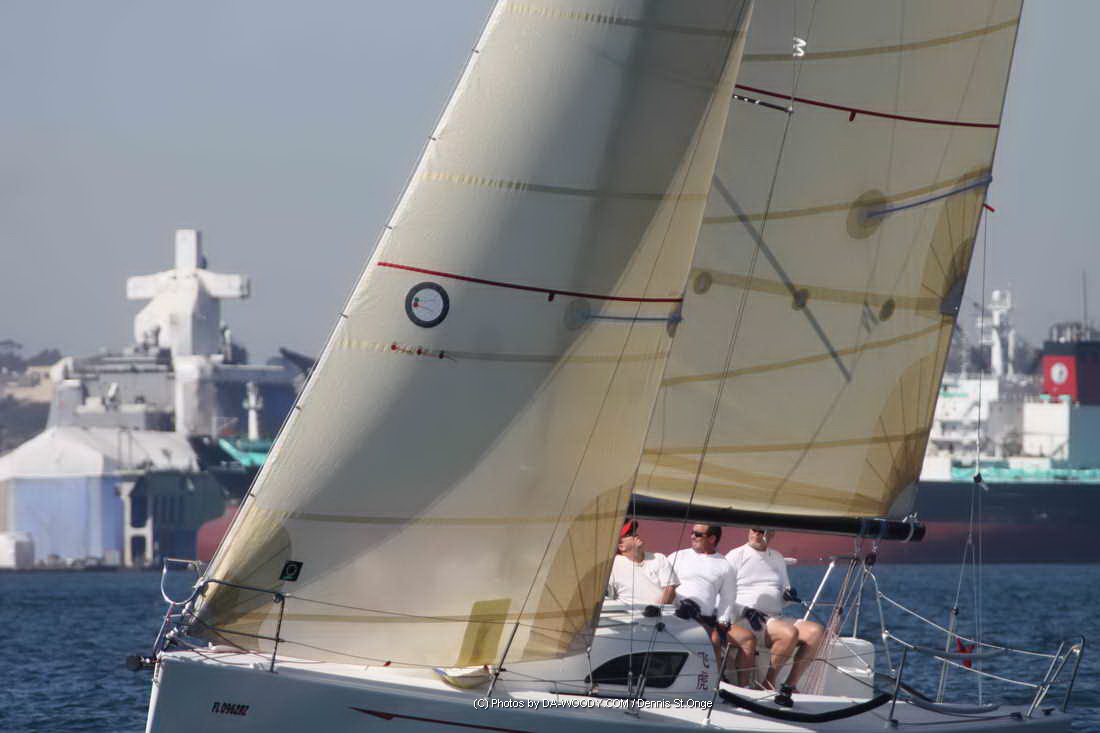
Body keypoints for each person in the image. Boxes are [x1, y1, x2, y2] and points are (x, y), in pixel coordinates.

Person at [726, 527, 825, 693]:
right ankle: (768, 684)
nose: (756, 533)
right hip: (746, 618)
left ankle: (789, 685)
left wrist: (787, 596)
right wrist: (745, 610)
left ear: (771, 533)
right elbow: (723, 594)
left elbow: (783, 593)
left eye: (761, 530)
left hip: (774, 618)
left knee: (816, 632)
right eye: (754, 529)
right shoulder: (735, 555)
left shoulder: (777, 557)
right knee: (789, 633)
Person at [668, 524, 757, 685]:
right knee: (714, 639)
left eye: (698, 534)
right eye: (692, 532)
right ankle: (714, 683)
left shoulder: (725, 565)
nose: (692, 536)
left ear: (712, 538)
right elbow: (663, 585)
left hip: (707, 619)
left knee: (748, 638)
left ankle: (743, 687)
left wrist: (723, 623)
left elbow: (727, 599)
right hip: (677, 615)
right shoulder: (677, 556)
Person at [607, 519, 678, 606]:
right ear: (621, 547)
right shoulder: (613, 565)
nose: (635, 534)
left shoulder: (659, 558)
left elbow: (670, 589)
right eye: (629, 534)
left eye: (634, 531)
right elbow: (606, 595)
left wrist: (656, 610)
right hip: (628, 613)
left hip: (662, 612)